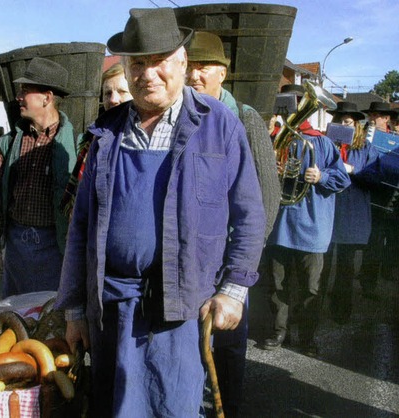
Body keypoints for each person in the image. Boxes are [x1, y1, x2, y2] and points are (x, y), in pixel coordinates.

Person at [55, 8, 266, 417]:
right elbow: (80, 226)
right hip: (111, 311)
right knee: (111, 406)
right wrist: (75, 309)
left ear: (182, 63)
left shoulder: (220, 126)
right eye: (138, 63)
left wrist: (234, 290)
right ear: (126, 69)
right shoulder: (106, 133)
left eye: (159, 61)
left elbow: (250, 214)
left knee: (174, 407)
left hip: (181, 311)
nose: (148, 73)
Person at [185, 30, 280, 417]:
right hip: (191, 262)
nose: (195, 75)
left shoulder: (244, 118)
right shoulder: (182, 116)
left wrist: (241, 268)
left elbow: (268, 199)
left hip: (229, 264)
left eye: (204, 67)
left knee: (226, 356)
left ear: (223, 73)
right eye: (190, 66)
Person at [264, 83, 351, 357]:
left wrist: (321, 176)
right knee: (276, 284)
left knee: (310, 289)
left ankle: (306, 337)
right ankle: (278, 332)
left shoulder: (322, 142)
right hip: (280, 226)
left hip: (313, 229)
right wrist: (273, 170)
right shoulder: (276, 140)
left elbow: (342, 178)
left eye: (299, 103)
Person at [0, 57, 77, 297]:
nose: (19, 96)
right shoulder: (9, 142)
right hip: (16, 248)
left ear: (47, 97)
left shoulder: (74, 144)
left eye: (25, 90)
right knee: (15, 318)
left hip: (55, 248)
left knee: (50, 320)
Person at [320, 101, 381, 323]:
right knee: (322, 265)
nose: (343, 126)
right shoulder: (326, 144)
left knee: (345, 266)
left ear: (356, 125)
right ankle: (314, 311)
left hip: (351, 212)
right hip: (327, 210)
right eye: (338, 121)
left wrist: (353, 170)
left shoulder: (366, 149)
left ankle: (341, 311)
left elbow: (376, 179)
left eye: (347, 122)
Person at [61, 63, 132, 218]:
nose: (113, 99)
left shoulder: (144, 139)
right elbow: (80, 190)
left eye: (122, 92)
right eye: (108, 93)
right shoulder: (94, 137)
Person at [359, 101, 399, 294]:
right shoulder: (363, 136)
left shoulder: (395, 140)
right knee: (367, 241)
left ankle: (370, 283)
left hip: (387, 197)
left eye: (377, 116)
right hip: (363, 193)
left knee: (379, 242)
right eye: (371, 115)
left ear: (386, 119)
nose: (372, 119)